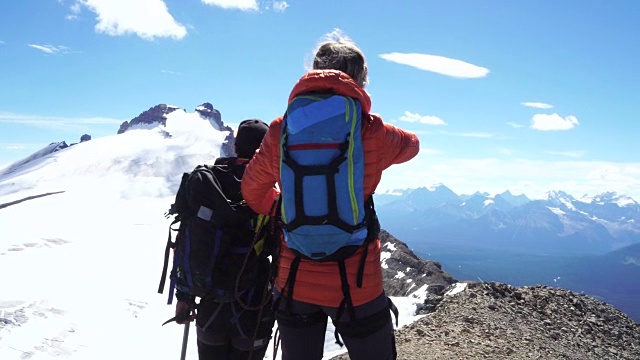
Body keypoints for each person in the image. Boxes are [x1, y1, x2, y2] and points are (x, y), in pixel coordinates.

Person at [240, 30, 420, 360]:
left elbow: (251, 191)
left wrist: (285, 207)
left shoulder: (282, 128)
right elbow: (413, 146)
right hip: (357, 282)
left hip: (293, 277)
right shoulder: (371, 130)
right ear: (360, 80)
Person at [174, 119, 275, 360]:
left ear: (235, 146)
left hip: (210, 305)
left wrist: (184, 297)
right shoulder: (269, 190)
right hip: (252, 306)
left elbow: (187, 238)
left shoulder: (206, 183)